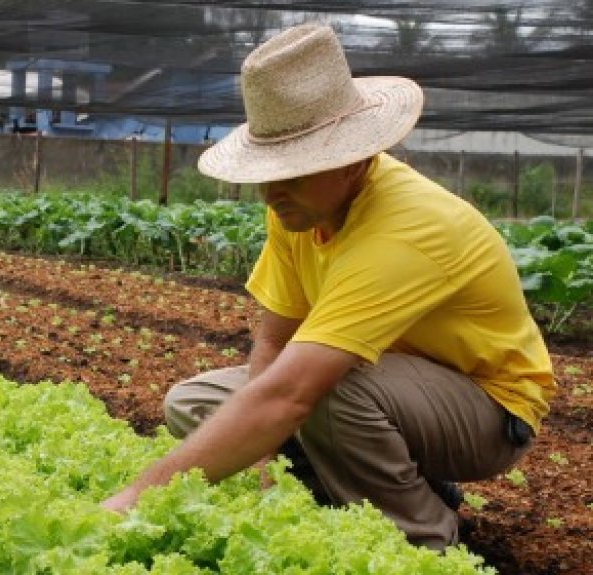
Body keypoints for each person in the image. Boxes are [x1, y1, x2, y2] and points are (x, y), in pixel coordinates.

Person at [101, 22, 556, 551]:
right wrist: (264, 465)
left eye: (293, 171)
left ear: (353, 161)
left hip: (488, 410)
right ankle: (371, 490)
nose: (272, 192)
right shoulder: (299, 209)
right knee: (195, 402)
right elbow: (274, 341)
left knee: (324, 391)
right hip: (392, 388)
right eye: (268, 172)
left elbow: (294, 392)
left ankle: (424, 536)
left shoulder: (407, 227)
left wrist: (134, 497)